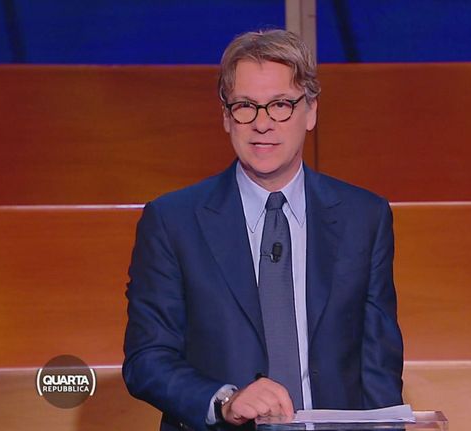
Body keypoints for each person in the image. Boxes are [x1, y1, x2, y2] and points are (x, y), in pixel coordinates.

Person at [122, 29, 404, 431]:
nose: (262, 123)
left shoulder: (365, 217)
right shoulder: (172, 221)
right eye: (245, 106)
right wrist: (225, 400)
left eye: (280, 105)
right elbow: (147, 359)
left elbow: (379, 370)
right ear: (226, 116)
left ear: (310, 111)